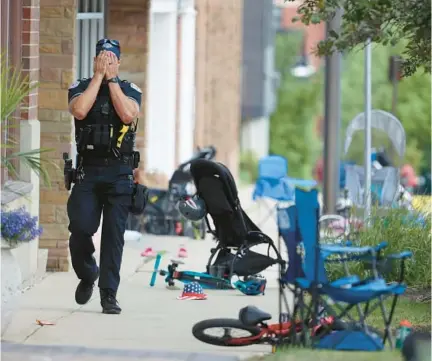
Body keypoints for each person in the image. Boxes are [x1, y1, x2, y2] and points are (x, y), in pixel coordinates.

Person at [67, 39, 142, 314]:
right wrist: (98, 77)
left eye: (111, 59)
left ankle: (108, 294)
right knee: (80, 228)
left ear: (119, 62)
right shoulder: (80, 86)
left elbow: (126, 114)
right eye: (102, 58)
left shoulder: (129, 90)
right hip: (88, 171)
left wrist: (111, 81)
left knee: (114, 236)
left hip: (119, 172)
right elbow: (79, 110)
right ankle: (88, 274)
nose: (107, 62)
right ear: (95, 60)